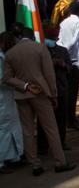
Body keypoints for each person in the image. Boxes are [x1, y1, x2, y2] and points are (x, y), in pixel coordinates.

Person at [3, 28, 75, 176]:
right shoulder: (40, 48)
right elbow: (49, 73)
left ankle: (35, 164)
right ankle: (60, 162)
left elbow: (7, 78)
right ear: (32, 37)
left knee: (28, 131)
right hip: (41, 93)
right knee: (51, 128)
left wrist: (24, 86)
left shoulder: (10, 54)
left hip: (22, 95)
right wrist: (53, 95)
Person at [38, 28, 71, 153]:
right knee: (43, 121)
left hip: (61, 88)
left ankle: (61, 143)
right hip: (45, 89)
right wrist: (51, 62)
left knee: (61, 119)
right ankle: (42, 146)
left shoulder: (63, 51)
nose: (52, 41)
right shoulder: (41, 50)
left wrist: (63, 65)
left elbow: (69, 67)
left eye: (54, 38)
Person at [57, 2, 79, 129]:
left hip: (64, 58)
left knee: (66, 91)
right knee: (73, 92)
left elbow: (61, 39)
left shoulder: (63, 23)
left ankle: (67, 118)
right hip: (75, 60)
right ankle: (71, 119)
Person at [0, 32, 23, 174]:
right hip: (2, 99)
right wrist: (16, 82)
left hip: (8, 98)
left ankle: (12, 157)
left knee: (10, 128)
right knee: (3, 130)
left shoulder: (3, 56)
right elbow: (2, 80)